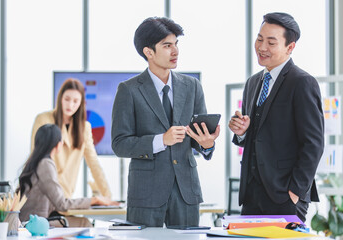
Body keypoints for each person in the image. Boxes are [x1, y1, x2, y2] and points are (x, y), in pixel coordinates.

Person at [111, 17, 220, 227]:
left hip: (186, 192)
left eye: (176, 44)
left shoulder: (192, 86)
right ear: (148, 52)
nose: (175, 51)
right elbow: (120, 144)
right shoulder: (129, 90)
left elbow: (199, 138)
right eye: (167, 45)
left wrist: (207, 145)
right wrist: (161, 140)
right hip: (146, 194)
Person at [228, 12, 324, 222]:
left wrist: (295, 192)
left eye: (271, 42)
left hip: (285, 196)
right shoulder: (253, 83)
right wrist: (242, 132)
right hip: (252, 195)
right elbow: (258, 134)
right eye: (260, 39)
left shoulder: (302, 82)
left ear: (290, 47)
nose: (262, 47)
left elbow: (313, 143)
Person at [18, 124, 118, 227]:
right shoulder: (46, 164)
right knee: (84, 223)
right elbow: (62, 204)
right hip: (36, 223)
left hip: (30, 221)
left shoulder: (35, 162)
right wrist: (95, 200)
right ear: (58, 144)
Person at [31, 78, 112, 199]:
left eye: (75, 101)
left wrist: (108, 196)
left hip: (65, 194)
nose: (70, 105)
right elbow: (36, 157)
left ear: (81, 103)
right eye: (67, 99)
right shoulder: (43, 119)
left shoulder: (84, 127)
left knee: (82, 219)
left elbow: (93, 163)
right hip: (42, 192)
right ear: (60, 99)